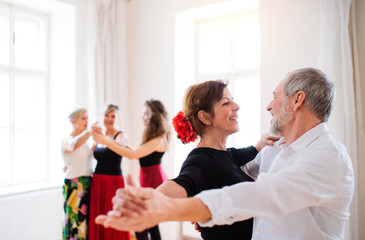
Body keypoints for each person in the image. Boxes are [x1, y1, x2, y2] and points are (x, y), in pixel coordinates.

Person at [95, 68, 355, 240]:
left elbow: (258, 190)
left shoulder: (328, 158)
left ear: (297, 101)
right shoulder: (272, 151)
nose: (268, 106)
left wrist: (201, 209)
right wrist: (180, 206)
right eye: (226, 102)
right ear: (205, 117)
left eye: (274, 97)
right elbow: (194, 180)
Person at [93, 81, 276, 240]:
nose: (236, 106)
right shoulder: (200, 160)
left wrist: (268, 138)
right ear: (205, 117)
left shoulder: (228, 154)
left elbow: (254, 149)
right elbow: (181, 183)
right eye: (226, 103)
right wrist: (145, 204)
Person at [92, 99, 171, 240]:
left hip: (154, 182)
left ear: (155, 117)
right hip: (147, 181)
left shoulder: (158, 140)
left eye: (146, 114)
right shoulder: (153, 138)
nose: (143, 117)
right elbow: (138, 154)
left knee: (141, 224)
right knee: (150, 224)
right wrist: (121, 143)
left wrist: (105, 141)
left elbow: (132, 155)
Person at [88, 104, 130, 240]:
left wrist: (102, 138)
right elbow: (87, 154)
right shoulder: (98, 137)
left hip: (114, 182)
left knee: (113, 215)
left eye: (113, 116)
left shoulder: (121, 136)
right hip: (98, 181)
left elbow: (120, 146)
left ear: (117, 119)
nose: (109, 119)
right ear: (102, 117)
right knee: (99, 216)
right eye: (107, 115)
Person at [61, 108, 93, 240]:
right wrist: (90, 132)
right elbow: (73, 146)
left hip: (86, 184)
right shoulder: (67, 140)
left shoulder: (86, 143)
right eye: (83, 118)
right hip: (74, 185)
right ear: (73, 122)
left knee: (84, 222)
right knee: (74, 221)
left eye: (87, 118)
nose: (86, 121)